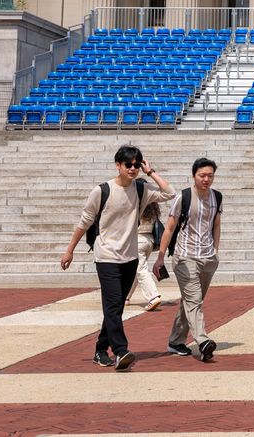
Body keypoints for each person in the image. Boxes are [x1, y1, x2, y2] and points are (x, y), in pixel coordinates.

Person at [60, 145, 174, 371]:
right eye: (128, 165)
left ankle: (101, 350)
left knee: (116, 307)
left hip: (130, 257)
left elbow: (170, 193)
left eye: (136, 165)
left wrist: (150, 172)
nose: (132, 169)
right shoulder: (102, 191)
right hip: (107, 257)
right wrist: (69, 250)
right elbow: (84, 222)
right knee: (112, 306)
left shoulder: (141, 190)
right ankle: (121, 350)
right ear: (118, 165)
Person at [154, 157, 223, 363]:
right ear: (194, 175)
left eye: (210, 176)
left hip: (208, 257)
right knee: (194, 300)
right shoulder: (183, 197)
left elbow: (217, 224)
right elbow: (169, 227)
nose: (206, 179)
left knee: (190, 301)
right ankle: (203, 341)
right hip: (185, 257)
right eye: (202, 175)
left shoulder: (217, 197)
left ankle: (175, 341)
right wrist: (160, 257)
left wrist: (216, 252)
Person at [125, 198, 164, 312]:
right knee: (137, 269)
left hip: (138, 240)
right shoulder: (152, 206)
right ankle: (126, 297)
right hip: (149, 241)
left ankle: (153, 296)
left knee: (141, 269)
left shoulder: (135, 203)